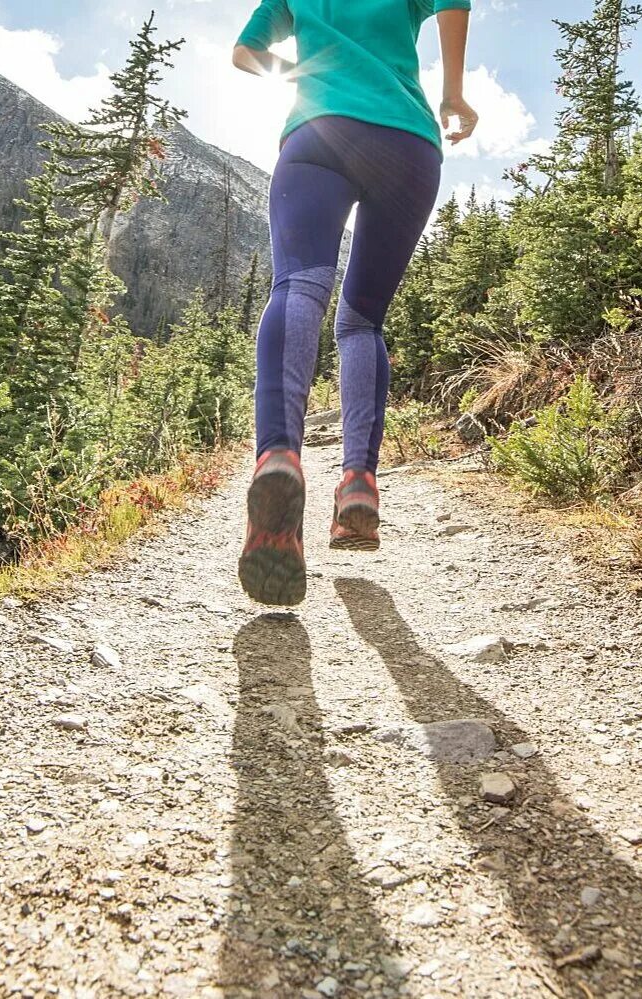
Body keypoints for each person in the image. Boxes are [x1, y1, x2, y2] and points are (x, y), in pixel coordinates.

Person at [231, 0, 477, 606]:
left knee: (298, 287)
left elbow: (244, 54)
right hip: (408, 144)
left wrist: (307, 75)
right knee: (362, 320)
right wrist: (453, 94)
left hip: (319, 133)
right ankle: (358, 483)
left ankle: (278, 455)